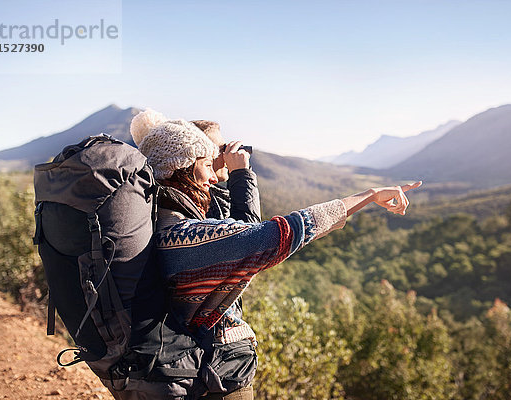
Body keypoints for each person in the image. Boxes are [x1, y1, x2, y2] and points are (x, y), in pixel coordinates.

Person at [115, 111, 422, 399]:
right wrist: (368, 196)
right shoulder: (186, 237)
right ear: (182, 168)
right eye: (207, 165)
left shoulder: (161, 223)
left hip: (194, 369)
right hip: (219, 377)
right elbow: (285, 231)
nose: (212, 176)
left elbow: (234, 232)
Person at [190, 120, 261, 223]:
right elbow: (248, 233)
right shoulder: (199, 206)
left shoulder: (214, 197)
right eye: (221, 149)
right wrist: (241, 175)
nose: (227, 154)